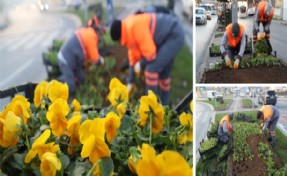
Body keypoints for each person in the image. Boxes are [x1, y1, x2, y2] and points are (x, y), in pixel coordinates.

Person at [110, 13, 184, 105]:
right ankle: (164, 106)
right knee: (163, 73)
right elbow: (133, 59)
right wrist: (130, 81)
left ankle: (150, 105)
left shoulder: (133, 27)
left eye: (118, 41)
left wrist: (141, 64)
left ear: (120, 38)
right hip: (167, 37)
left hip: (173, 35)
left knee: (151, 69)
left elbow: (150, 54)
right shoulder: (128, 29)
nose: (119, 43)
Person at [58, 26, 105, 98]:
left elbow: (87, 52)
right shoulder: (91, 36)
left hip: (74, 61)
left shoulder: (88, 33)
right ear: (97, 33)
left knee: (81, 77)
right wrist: (100, 60)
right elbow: (95, 58)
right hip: (66, 60)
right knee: (71, 84)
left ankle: (75, 87)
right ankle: (69, 98)